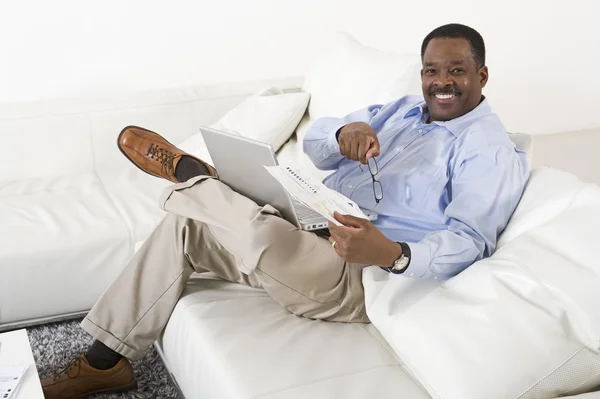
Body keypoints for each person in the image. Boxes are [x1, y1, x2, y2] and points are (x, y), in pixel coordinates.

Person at [41, 23, 529, 398]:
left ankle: (198, 178)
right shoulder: (403, 111)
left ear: (482, 75)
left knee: (260, 234)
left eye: (456, 71)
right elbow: (318, 146)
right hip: (310, 223)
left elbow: (470, 241)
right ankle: (104, 361)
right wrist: (341, 134)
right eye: (432, 70)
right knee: (187, 225)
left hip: (353, 271)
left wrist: (392, 252)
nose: (441, 82)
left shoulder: (486, 149)